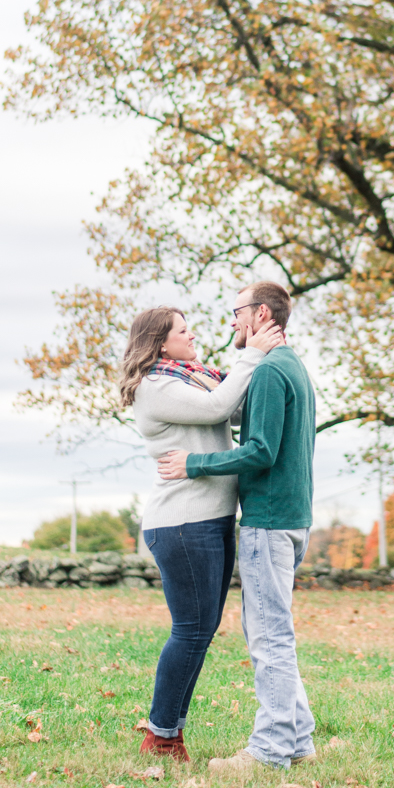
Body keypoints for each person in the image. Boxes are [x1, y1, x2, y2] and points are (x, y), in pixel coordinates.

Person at [158, 281, 316, 772]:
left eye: (236, 312)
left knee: (268, 638)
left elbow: (262, 451)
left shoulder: (270, 371)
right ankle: (300, 741)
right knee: (276, 632)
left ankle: (269, 752)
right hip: (295, 520)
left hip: (269, 522)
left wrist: (194, 464)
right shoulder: (294, 367)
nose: (231, 322)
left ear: (260, 314)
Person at [123, 304, 284, 762]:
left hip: (210, 518)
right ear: (159, 343)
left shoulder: (191, 378)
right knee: (191, 630)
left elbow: (231, 414)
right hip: (181, 522)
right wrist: (251, 355)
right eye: (183, 330)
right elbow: (219, 405)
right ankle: (161, 735)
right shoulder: (155, 387)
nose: (192, 336)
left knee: (201, 630)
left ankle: (169, 729)